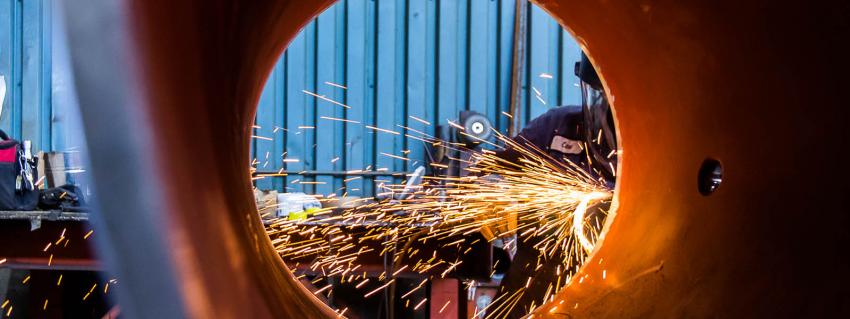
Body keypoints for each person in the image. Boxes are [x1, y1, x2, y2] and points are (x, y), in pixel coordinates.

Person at [487, 52, 617, 318]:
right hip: (532, 287)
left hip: (611, 290)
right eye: (601, 94)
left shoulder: (655, 148)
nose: (607, 106)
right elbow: (495, 169)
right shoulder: (558, 126)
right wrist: (497, 194)